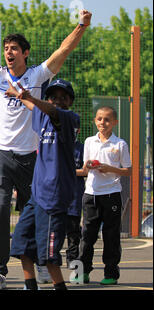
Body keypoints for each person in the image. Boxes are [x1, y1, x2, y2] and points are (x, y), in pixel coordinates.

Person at [0, 4, 92, 290]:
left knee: (36, 210)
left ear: (25, 53)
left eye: (14, 48)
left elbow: (62, 51)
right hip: (0, 153)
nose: (9, 52)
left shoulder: (37, 76)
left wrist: (81, 26)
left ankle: (41, 263)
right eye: (6, 48)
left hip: (32, 157)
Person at [7, 78, 80, 290]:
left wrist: (30, 97)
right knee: (21, 243)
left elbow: (48, 109)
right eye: (53, 97)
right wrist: (17, 94)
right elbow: (34, 106)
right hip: (37, 196)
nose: (57, 100)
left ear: (70, 102)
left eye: (63, 97)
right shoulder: (43, 116)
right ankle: (30, 286)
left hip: (53, 197)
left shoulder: (69, 119)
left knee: (48, 256)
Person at [79, 106, 132, 285]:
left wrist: (109, 169)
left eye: (107, 119)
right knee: (87, 235)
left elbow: (127, 171)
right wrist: (87, 167)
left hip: (111, 194)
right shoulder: (89, 142)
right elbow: (85, 170)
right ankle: (82, 272)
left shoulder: (120, 144)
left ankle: (110, 274)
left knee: (111, 236)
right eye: (100, 119)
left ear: (115, 122)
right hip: (91, 194)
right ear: (95, 120)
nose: (103, 122)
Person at [66, 134, 87, 268]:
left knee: (73, 230)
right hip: (58, 194)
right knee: (55, 229)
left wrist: (67, 172)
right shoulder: (58, 145)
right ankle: (51, 260)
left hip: (75, 195)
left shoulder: (82, 148)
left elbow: (85, 171)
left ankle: (72, 259)